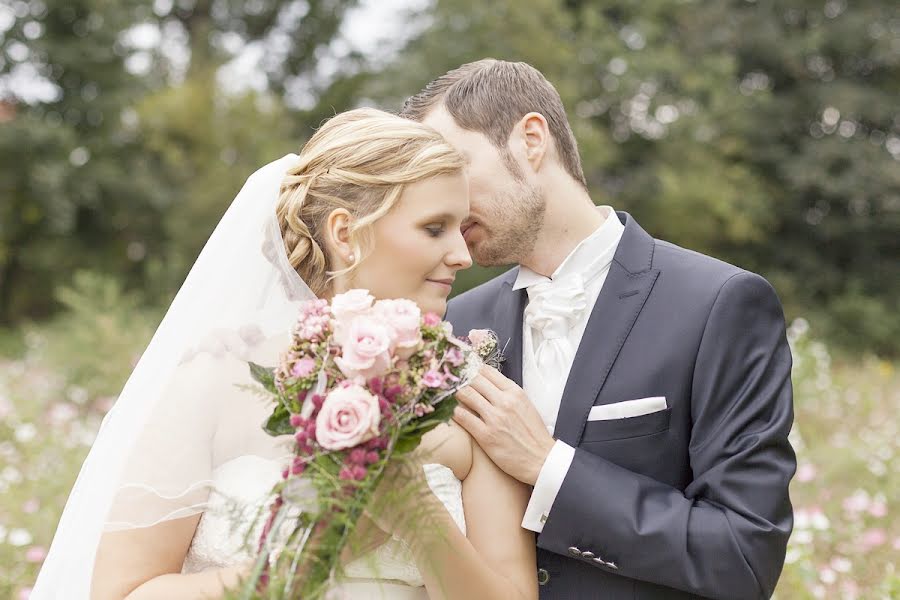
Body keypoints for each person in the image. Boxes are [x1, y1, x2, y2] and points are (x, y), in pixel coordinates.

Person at [31, 108, 538, 600]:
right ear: (345, 234)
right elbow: (125, 592)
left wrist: (420, 520)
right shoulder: (213, 381)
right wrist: (310, 559)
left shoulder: (473, 395)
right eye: (434, 228)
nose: (462, 255)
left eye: (461, 227)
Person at [401, 59, 796, 599]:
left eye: (454, 167)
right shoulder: (452, 324)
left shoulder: (718, 305)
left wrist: (549, 467)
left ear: (530, 140)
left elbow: (744, 555)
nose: (443, 200)